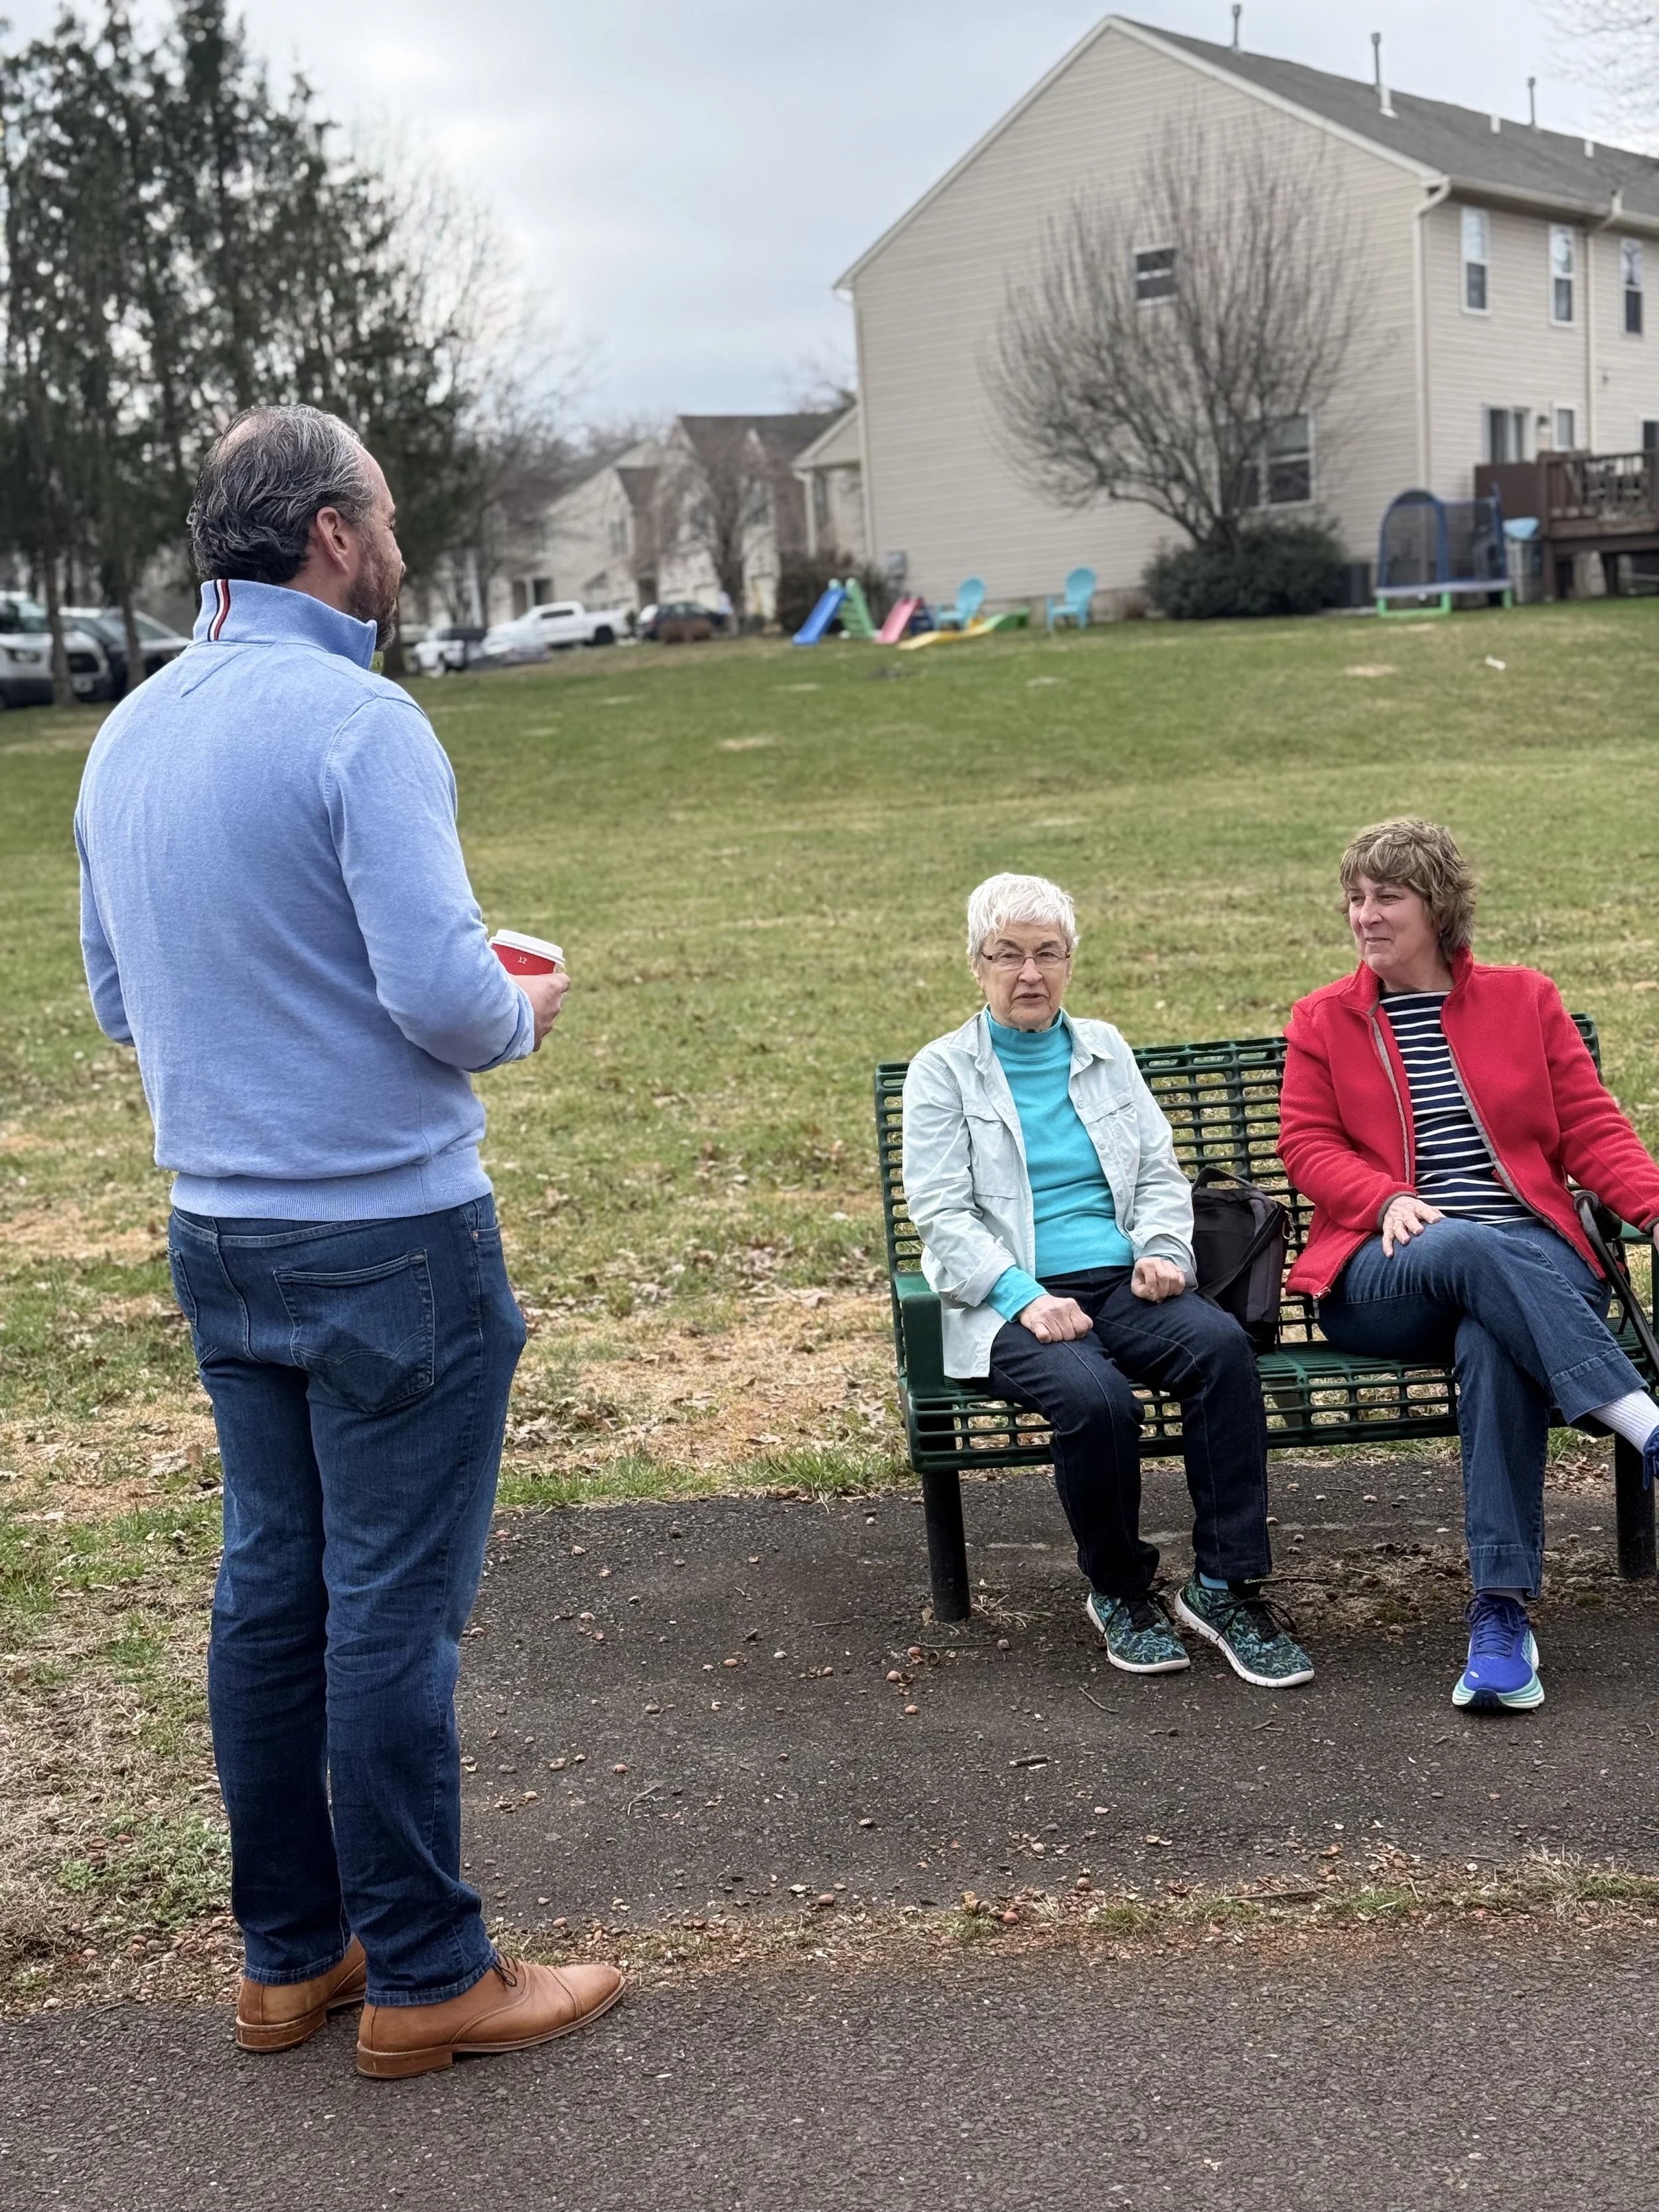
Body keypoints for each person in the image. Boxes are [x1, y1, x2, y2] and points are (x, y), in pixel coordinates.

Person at [74, 406, 622, 2077]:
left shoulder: (129, 733)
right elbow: (448, 1000)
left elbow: (116, 1000)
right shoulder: (360, 724)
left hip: (218, 1230)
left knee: (272, 1593)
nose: (395, 546)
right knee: (387, 1607)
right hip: (390, 1233)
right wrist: (525, 1012)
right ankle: (433, 1972)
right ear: (330, 532)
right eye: (382, 516)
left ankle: (291, 1957)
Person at [1280, 818, 1659, 1714]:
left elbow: (1592, 1129)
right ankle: (1644, 1422)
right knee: (1462, 1242)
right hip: (1386, 1266)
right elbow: (1305, 1143)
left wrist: (1653, 1206)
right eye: (1357, 898)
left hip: (1530, 1263)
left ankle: (1499, 1619)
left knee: (1493, 1337)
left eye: (1388, 898)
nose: (1365, 915)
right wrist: (1379, 1199)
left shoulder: (1525, 1000)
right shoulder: (1323, 1019)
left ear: (1437, 906)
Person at [901, 873, 1313, 1689]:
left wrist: (1166, 1253)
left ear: (1070, 961)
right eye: (1008, 955)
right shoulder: (943, 1071)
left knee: (1220, 1348)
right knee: (1093, 1401)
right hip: (1010, 1297)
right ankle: (1121, 1591)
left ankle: (1224, 1587)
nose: (1030, 974)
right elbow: (943, 1215)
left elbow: (1160, 1175)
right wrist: (1025, 1297)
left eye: (1047, 954)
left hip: (1124, 1281)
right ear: (976, 964)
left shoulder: (1104, 1049)